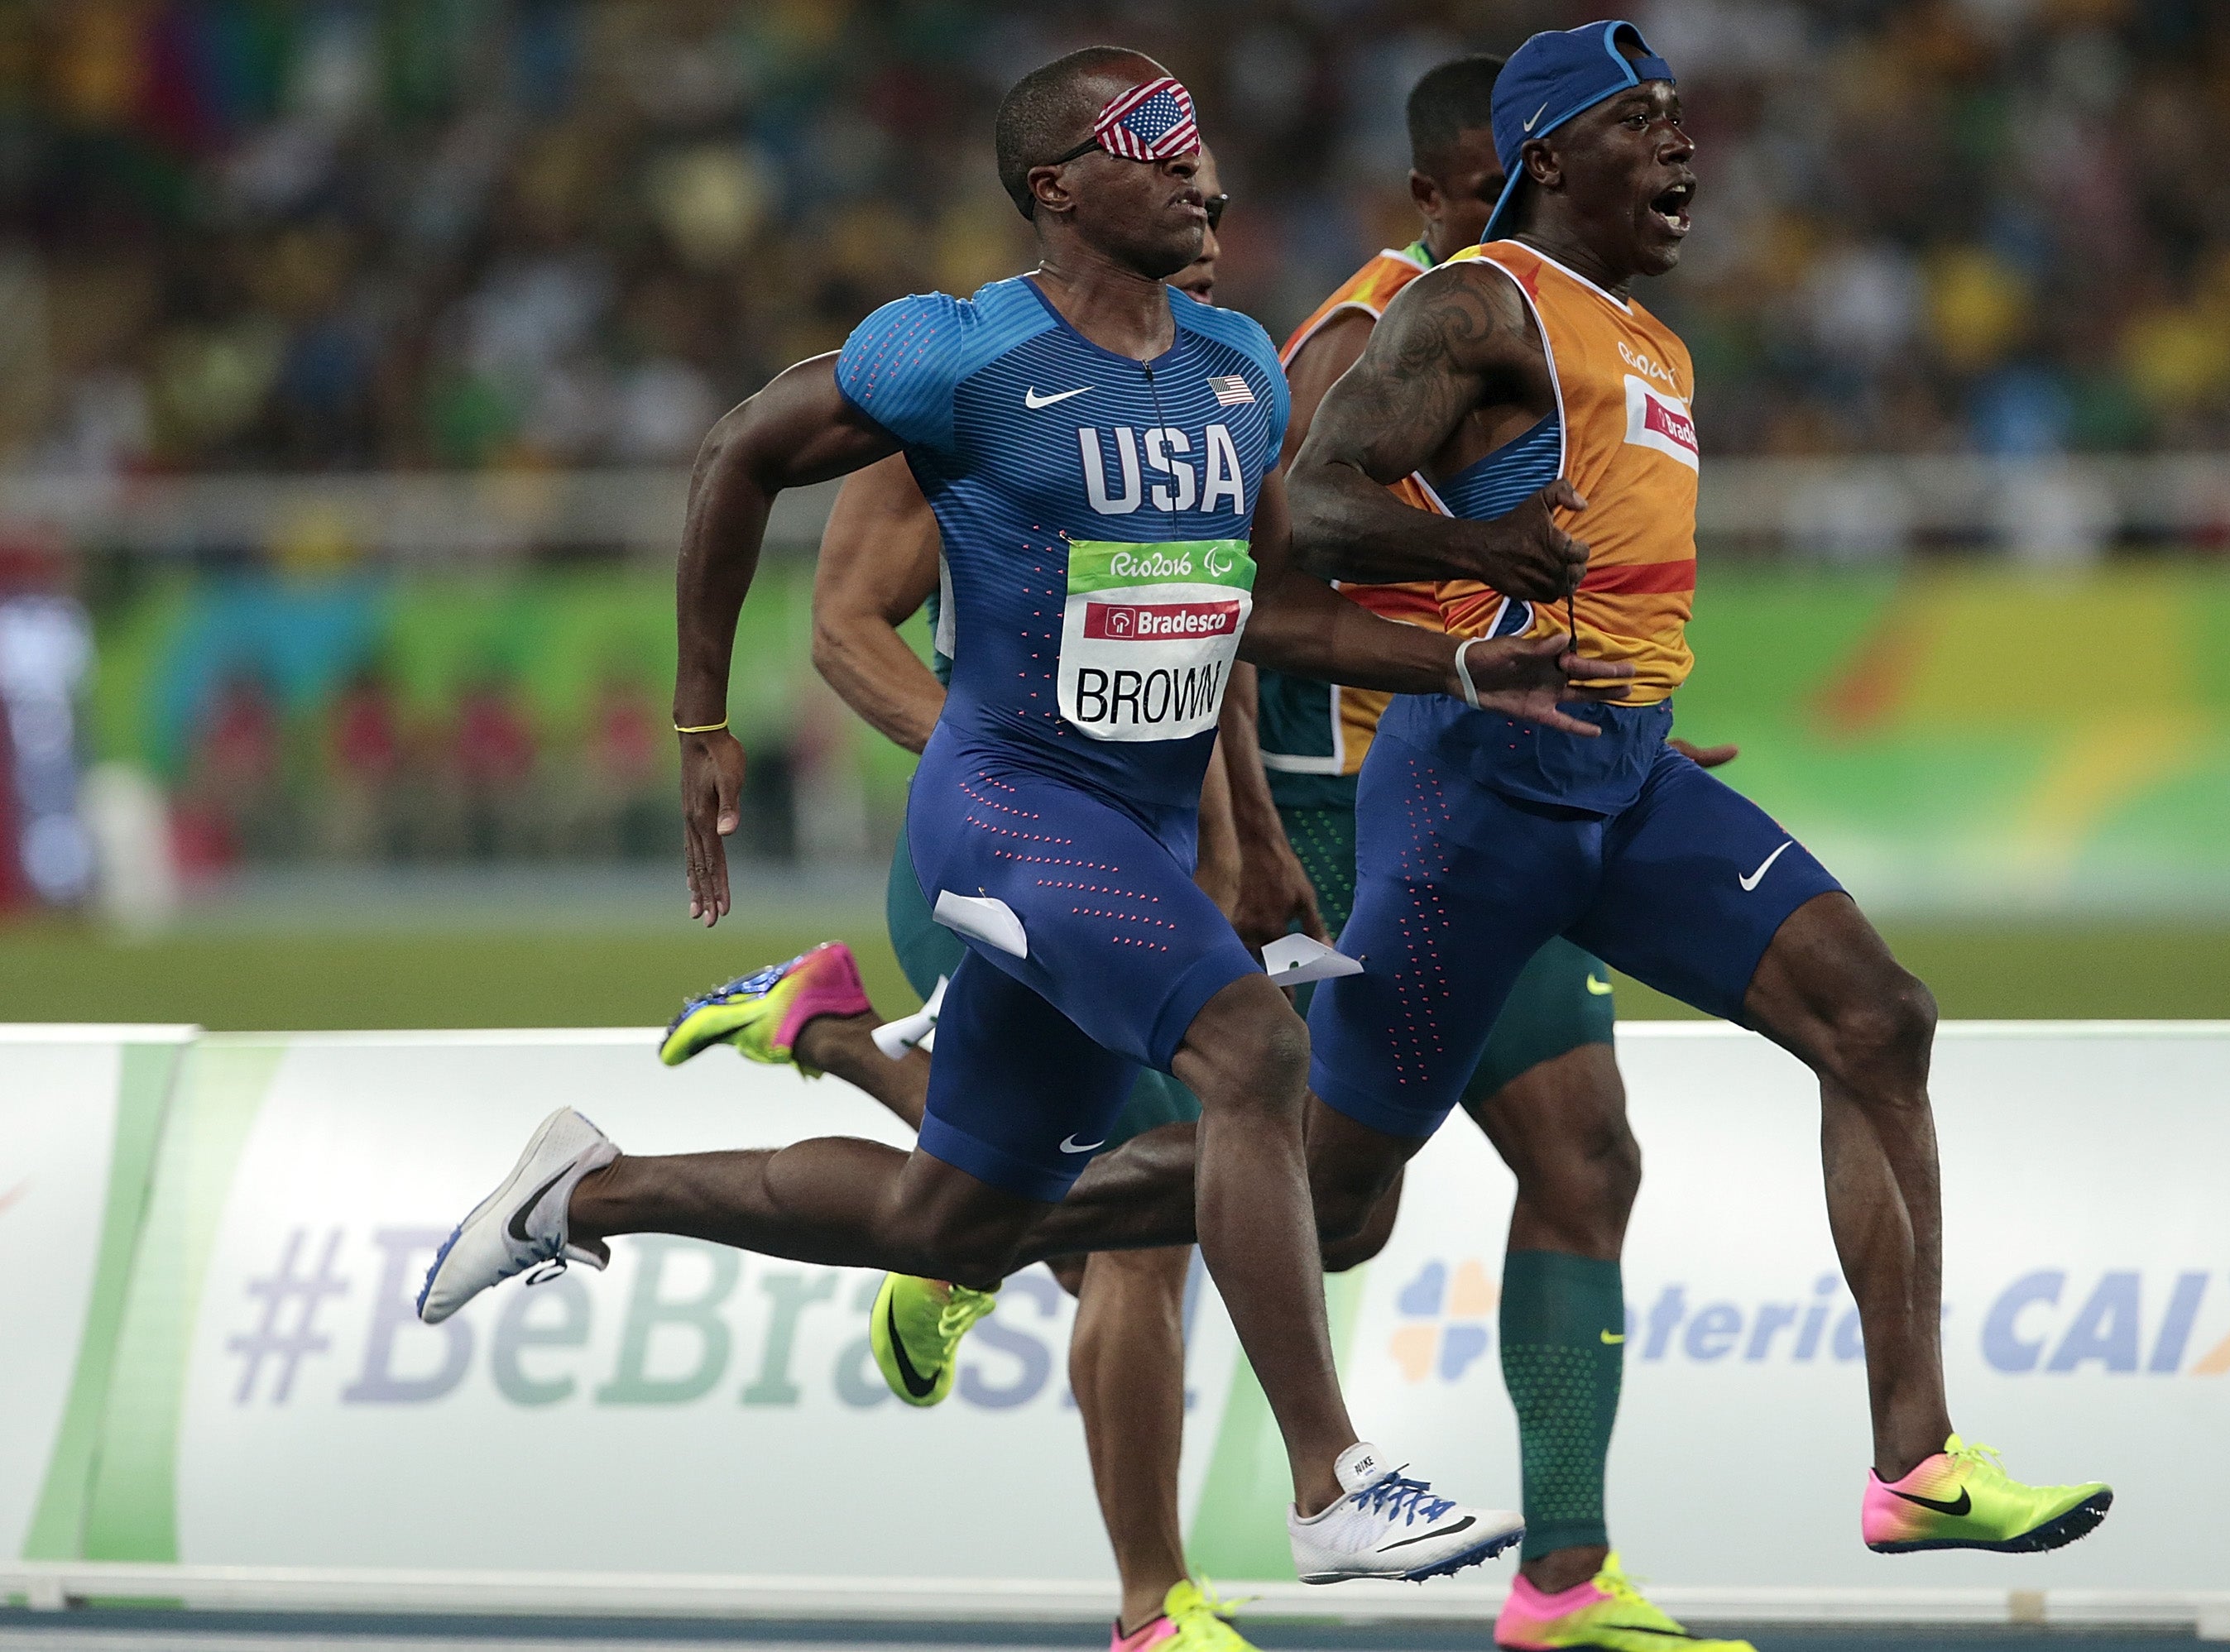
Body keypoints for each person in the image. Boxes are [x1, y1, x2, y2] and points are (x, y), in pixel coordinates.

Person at [415, 47, 1619, 1586]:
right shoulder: (959, 355)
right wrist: (700, 718)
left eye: (1201, 141)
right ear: (1059, 186)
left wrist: (1464, 659)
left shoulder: (1242, 365)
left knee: (953, 1225)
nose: (1205, 173)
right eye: (1159, 145)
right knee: (1251, 1047)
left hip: (1140, 826)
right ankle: (1331, 1481)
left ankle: (580, 1189)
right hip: (1004, 808)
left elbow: (1267, 616)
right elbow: (736, 457)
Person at [1281, 22, 2113, 1561]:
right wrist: (1479, 560)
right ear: (1546, 157)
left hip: (1626, 779)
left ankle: (1913, 1465)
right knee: (1331, 1205)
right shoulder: (1480, 302)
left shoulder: (1648, 341)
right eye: (1642, 123)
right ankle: (988, 1214)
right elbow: (1314, 497)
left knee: (1880, 1016)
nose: (1682, 150)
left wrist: (1642, 706)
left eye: (1683, 123)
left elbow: (1617, 576)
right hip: (1474, 802)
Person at [659, 155, 1272, 1652]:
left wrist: (1237, 830)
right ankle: (1157, 1604)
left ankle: (836, 1044)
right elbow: (847, 630)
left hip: (1150, 850)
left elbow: (1215, 643)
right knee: (1151, 1225)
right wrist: (1033, 791)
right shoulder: (975, 394)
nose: (1202, 242)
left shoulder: (1209, 384)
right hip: (1002, 855)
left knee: (1038, 1208)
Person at [1244, 54, 1750, 1652]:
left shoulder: (1566, 319)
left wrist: (1612, 714)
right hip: (1351, 798)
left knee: (1583, 1156)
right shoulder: (1368, 335)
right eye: (1484, 204)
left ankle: (1566, 1578)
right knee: (1336, 1207)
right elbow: (1258, 580)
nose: (1507, 243)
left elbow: (1550, 566)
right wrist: (1272, 815)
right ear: (1449, 192)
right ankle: (968, 1210)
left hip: (1513, 770)